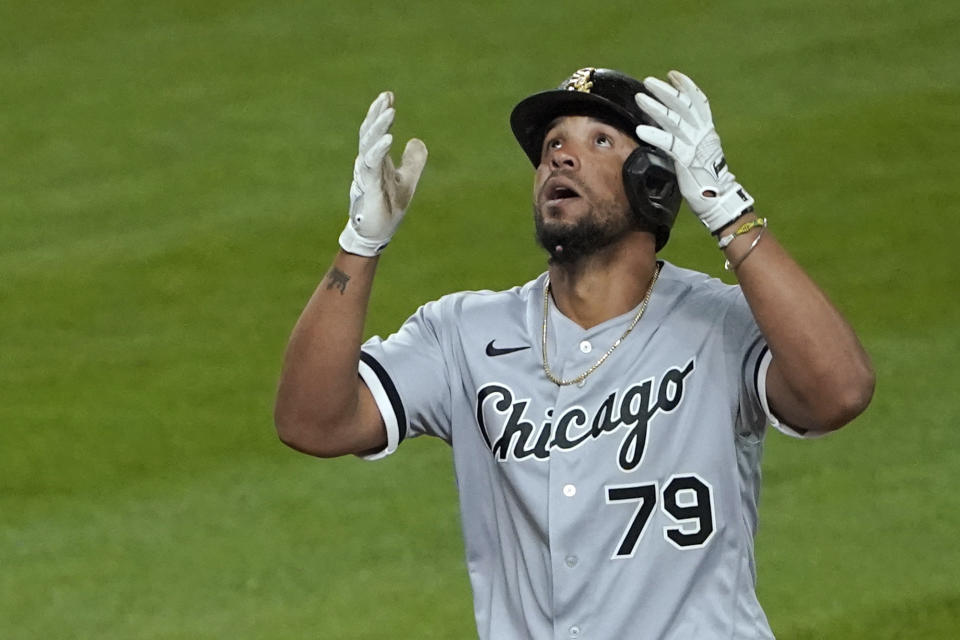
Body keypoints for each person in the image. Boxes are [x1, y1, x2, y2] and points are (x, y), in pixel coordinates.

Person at [274, 67, 875, 639]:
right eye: (551, 146)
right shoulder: (461, 333)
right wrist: (360, 242)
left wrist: (729, 212)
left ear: (653, 182)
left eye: (600, 140)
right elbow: (312, 422)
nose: (559, 155)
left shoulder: (719, 322)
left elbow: (840, 393)